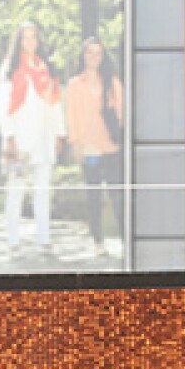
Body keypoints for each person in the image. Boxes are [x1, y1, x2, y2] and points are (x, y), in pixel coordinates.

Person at [0, 20, 65, 257]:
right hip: (19, 137)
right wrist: (9, 137)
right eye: (25, 37)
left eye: (33, 37)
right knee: (16, 190)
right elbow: (3, 105)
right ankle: (13, 241)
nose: (30, 42)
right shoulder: (10, 67)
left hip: (44, 138)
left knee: (42, 190)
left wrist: (59, 132)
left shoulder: (47, 68)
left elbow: (55, 104)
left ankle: (44, 240)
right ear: (18, 41)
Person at [64, 36, 124, 258]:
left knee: (117, 194)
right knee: (94, 194)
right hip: (89, 148)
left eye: (98, 53)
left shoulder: (112, 82)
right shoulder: (74, 85)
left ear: (103, 56)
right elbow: (71, 116)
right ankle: (98, 240)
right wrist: (75, 142)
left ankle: (125, 238)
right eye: (89, 52)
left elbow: (122, 114)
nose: (93, 57)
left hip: (110, 148)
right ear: (83, 55)